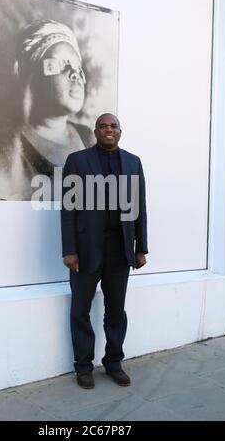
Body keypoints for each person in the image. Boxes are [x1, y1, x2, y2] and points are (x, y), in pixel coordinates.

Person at [61, 113, 148, 389]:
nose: (108, 130)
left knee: (116, 311)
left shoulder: (133, 162)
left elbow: (139, 207)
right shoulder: (77, 161)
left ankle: (113, 363)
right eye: (103, 126)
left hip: (120, 249)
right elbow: (68, 209)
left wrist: (141, 248)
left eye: (113, 126)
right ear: (95, 131)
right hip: (86, 251)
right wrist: (69, 250)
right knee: (80, 309)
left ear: (120, 132)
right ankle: (84, 366)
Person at [0, 19, 94, 200]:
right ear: (34, 77)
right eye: (62, 64)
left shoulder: (89, 137)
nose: (75, 74)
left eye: (77, 67)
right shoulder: (6, 151)